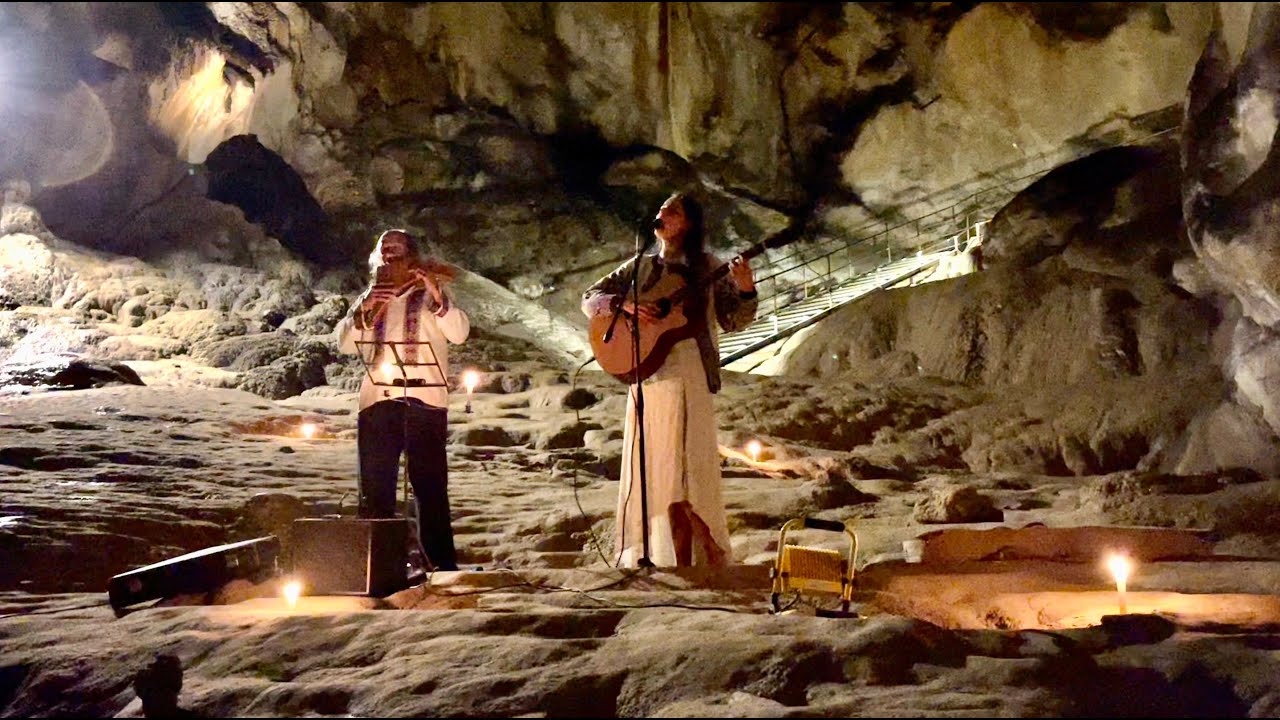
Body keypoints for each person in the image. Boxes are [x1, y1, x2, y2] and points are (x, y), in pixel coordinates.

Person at [581, 192, 758, 568]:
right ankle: (652, 550)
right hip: (647, 373)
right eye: (660, 208)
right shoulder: (640, 266)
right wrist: (623, 305)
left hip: (689, 370)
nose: (660, 213)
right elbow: (590, 297)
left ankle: (693, 555)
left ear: (689, 223)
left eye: (671, 210)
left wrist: (745, 288)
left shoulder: (708, 266)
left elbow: (733, 320)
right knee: (653, 463)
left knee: (687, 464)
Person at [335, 228, 470, 572]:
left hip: (424, 399)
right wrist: (367, 306)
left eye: (397, 251)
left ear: (412, 256)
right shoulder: (369, 296)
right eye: (385, 251)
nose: (390, 258)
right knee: (376, 488)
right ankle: (378, 568)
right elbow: (346, 344)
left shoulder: (430, 294)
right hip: (378, 400)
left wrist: (436, 295)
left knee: (429, 487)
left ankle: (439, 564)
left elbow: (459, 333)